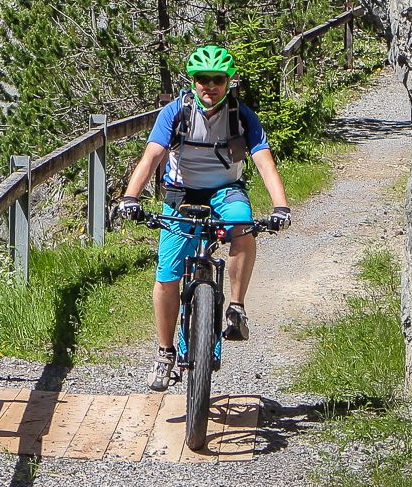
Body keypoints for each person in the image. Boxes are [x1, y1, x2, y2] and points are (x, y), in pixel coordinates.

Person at [112, 44, 291, 392]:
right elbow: (151, 157)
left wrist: (281, 207)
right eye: (203, 80)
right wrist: (131, 197)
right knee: (167, 274)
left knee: (242, 225)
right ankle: (165, 354)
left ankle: (236, 308)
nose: (210, 86)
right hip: (181, 194)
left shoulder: (242, 116)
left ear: (228, 82)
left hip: (226, 190)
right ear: (193, 82)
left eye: (218, 80)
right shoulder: (175, 113)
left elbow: (264, 161)